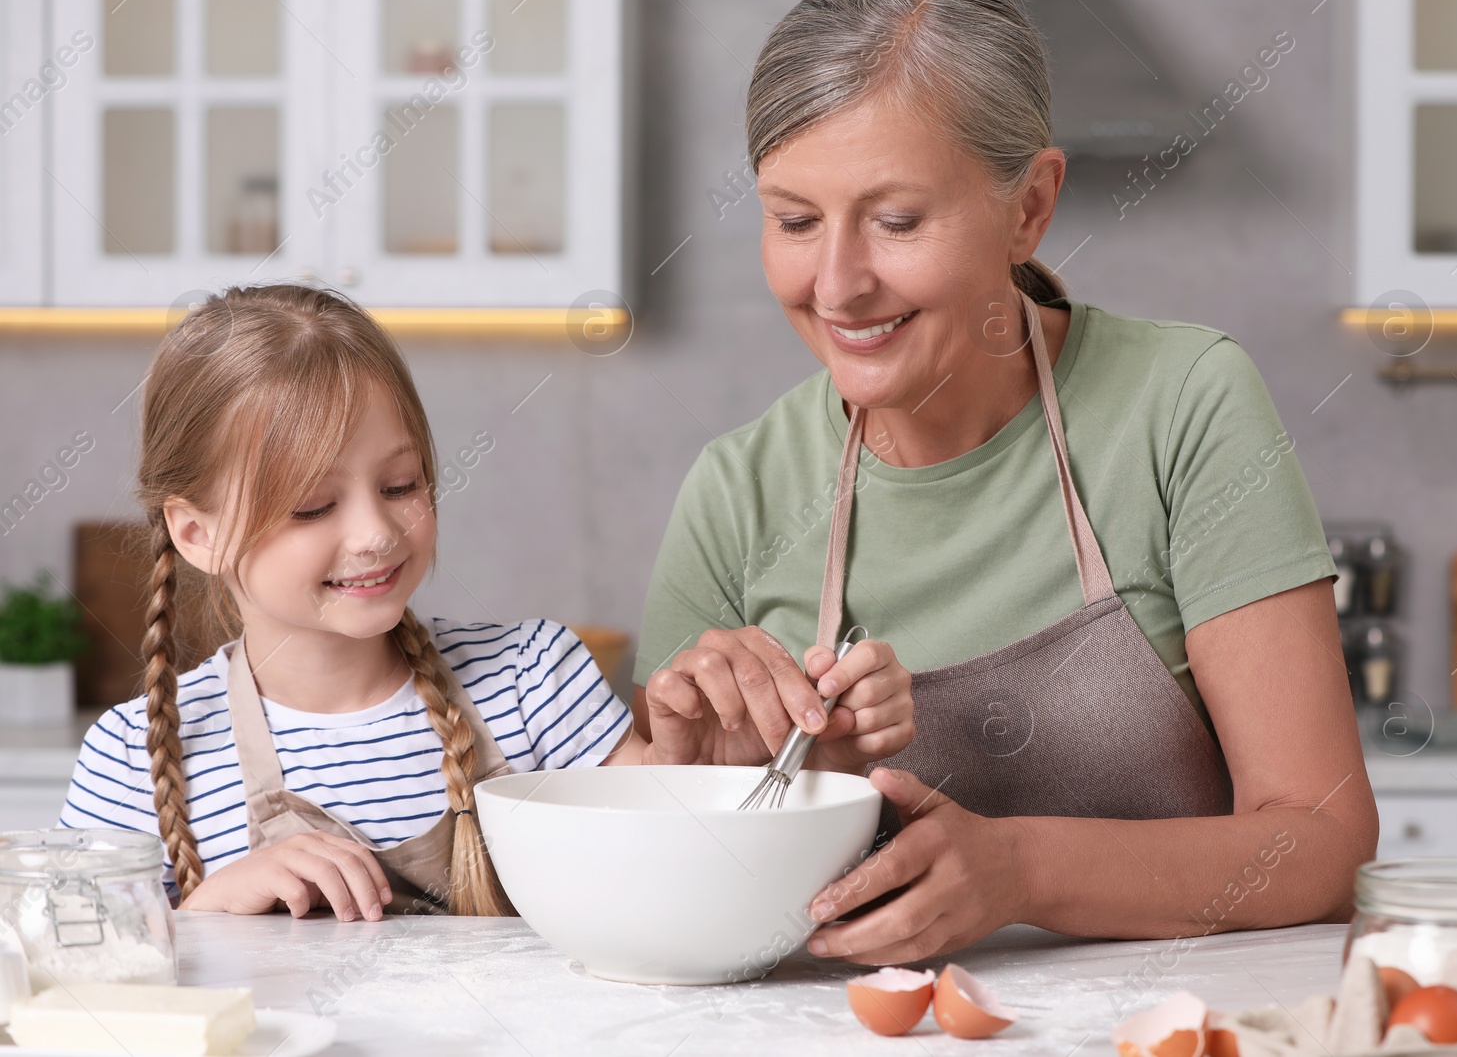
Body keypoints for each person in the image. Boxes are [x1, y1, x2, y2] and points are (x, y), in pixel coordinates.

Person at [634, 0, 1378, 965]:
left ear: (1028, 207)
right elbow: (667, 894)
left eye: (896, 220)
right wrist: (699, 783)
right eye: (795, 218)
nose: (836, 283)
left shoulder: (1183, 406)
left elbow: (1319, 844)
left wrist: (1016, 868)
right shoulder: (737, 492)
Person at [60, 284, 912, 918]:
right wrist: (203, 920)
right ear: (195, 531)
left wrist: (763, 766)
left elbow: (679, 884)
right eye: (314, 507)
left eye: (400, 484)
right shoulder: (133, 756)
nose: (374, 534)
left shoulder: (534, 679)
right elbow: (68, 995)